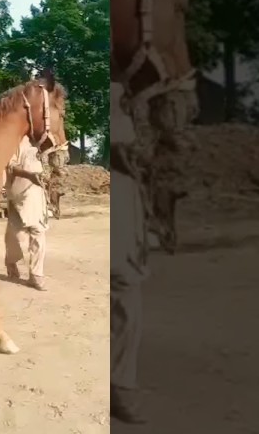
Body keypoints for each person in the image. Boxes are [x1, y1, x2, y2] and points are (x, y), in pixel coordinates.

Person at [110, 83, 149, 424]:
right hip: (119, 198)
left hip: (127, 199)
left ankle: (119, 382)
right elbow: (125, 152)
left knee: (125, 291)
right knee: (124, 289)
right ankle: (119, 387)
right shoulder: (118, 92)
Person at [4, 136, 49, 291]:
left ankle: (36, 275)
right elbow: (10, 165)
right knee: (15, 236)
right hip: (17, 195)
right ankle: (11, 261)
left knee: (39, 230)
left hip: (37, 193)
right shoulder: (17, 140)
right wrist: (29, 175)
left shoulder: (42, 142)